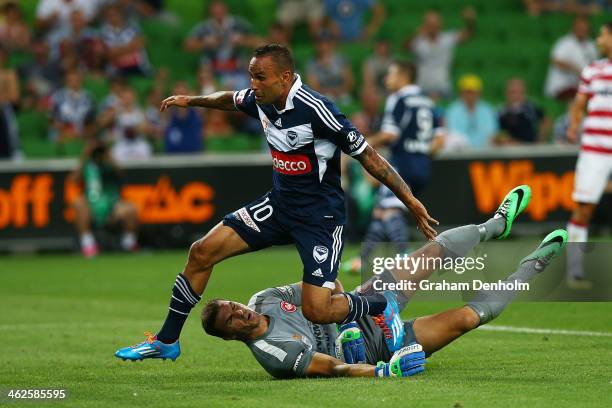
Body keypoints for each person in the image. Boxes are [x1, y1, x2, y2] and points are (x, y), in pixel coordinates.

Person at [115, 44, 438, 361]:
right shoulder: (261, 98)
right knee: (201, 252)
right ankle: (166, 340)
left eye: (260, 77)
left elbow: (370, 157)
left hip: (318, 218)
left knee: (318, 309)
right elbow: (229, 99)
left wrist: (410, 201)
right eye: (251, 76)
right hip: (279, 207)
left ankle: (382, 304)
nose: (253, 85)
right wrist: (192, 101)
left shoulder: (318, 109)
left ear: (285, 77)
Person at [193, 186, 568, 379]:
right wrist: (383, 371)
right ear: (230, 337)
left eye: (232, 306)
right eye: (232, 319)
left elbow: (325, 283)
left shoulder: (264, 299)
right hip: (379, 349)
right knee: (468, 319)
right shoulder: (273, 354)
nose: (239, 312)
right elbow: (333, 369)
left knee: (431, 252)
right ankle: (532, 266)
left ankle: (494, 226)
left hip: (365, 301)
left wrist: (350, 303)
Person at [346, 61, 444, 273]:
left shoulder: (398, 99)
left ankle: (405, 254)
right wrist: (420, 153)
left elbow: (390, 135)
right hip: (422, 166)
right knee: (381, 211)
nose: (386, 79)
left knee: (389, 211)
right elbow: (439, 140)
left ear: (403, 76)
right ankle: (362, 259)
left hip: (401, 165)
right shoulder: (428, 101)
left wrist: (364, 145)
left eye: (390, 74)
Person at [565, 21, 612, 288]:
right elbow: (579, 103)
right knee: (584, 208)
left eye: (603, 35)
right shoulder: (593, 70)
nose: (598, 39)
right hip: (595, 149)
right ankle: (575, 271)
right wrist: (573, 124)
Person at [71, 141, 139, 257]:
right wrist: (84, 156)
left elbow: (121, 172)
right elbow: (74, 179)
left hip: (112, 204)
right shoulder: (88, 166)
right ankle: (88, 245)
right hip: (92, 205)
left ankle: (129, 244)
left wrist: (108, 155)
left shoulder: (109, 166)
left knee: (131, 208)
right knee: (78, 203)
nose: (97, 155)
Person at [406, 8, 476, 100]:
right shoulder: (419, 40)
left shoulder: (447, 39)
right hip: (422, 88)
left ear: (440, 24)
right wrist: (416, 33)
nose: (433, 26)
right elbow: (405, 47)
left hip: (443, 89)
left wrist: (470, 22)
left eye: (435, 23)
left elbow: (467, 35)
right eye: (430, 23)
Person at [184, 0, 253, 90]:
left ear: (226, 10)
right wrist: (205, 42)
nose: (218, 15)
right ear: (211, 13)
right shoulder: (204, 27)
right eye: (215, 12)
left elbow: (257, 41)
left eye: (220, 12)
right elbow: (187, 45)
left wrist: (241, 40)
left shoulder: (238, 24)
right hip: (212, 70)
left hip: (236, 69)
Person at [544, 16, 598, 102]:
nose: (582, 30)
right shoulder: (564, 43)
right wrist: (576, 70)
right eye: (579, 27)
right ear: (574, 27)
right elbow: (556, 62)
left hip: (581, 86)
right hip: (562, 86)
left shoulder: (591, 45)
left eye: (584, 27)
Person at [446, 74, 498, 149]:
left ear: (479, 93)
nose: (470, 95)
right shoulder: (453, 110)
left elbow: (492, 134)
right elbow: (453, 135)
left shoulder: (487, 110)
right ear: (461, 93)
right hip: (460, 154)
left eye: (473, 92)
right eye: (467, 92)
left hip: (485, 153)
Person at [101, 4, 151, 77]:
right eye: (109, 16)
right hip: (116, 69)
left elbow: (141, 42)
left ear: (120, 15)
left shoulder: (133, 27)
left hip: (138, 65)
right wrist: (131, 47)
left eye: (115, 14)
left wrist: (119, 50)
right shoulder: (103, 32)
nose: (112, 18)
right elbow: (109, 54)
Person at [497, 77, 551, 144]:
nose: (515, 95)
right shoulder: (501, 111)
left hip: (531, 147)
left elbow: (546, 120)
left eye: (519, 92)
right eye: (512, 92)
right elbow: (497, 132)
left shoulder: (530, 107)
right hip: (510, 149)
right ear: (506, 93)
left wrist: (541, 138)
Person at [306, 34, 354, 103]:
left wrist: (340, 90)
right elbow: (313, 86)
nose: (323, 46)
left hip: (341, 92)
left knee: (345, 99)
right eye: (320, 43)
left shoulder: (340, 59)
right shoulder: (312, 63)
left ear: (331, 44)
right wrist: (327, 91)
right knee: (328, 98)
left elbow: (349, 80)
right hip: (323, 94)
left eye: (325, 42)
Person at [162, 82, 205, 154]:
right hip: (173, 159)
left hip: (194, 158)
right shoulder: (167, 115)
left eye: (183, 94)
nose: (180, 98)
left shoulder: (197, 114)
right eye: (177, 94)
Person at [0, 44, 20, 159]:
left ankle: (12, 152)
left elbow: (14, 97)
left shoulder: (9, 74)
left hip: (4, 112)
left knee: (5, 111)